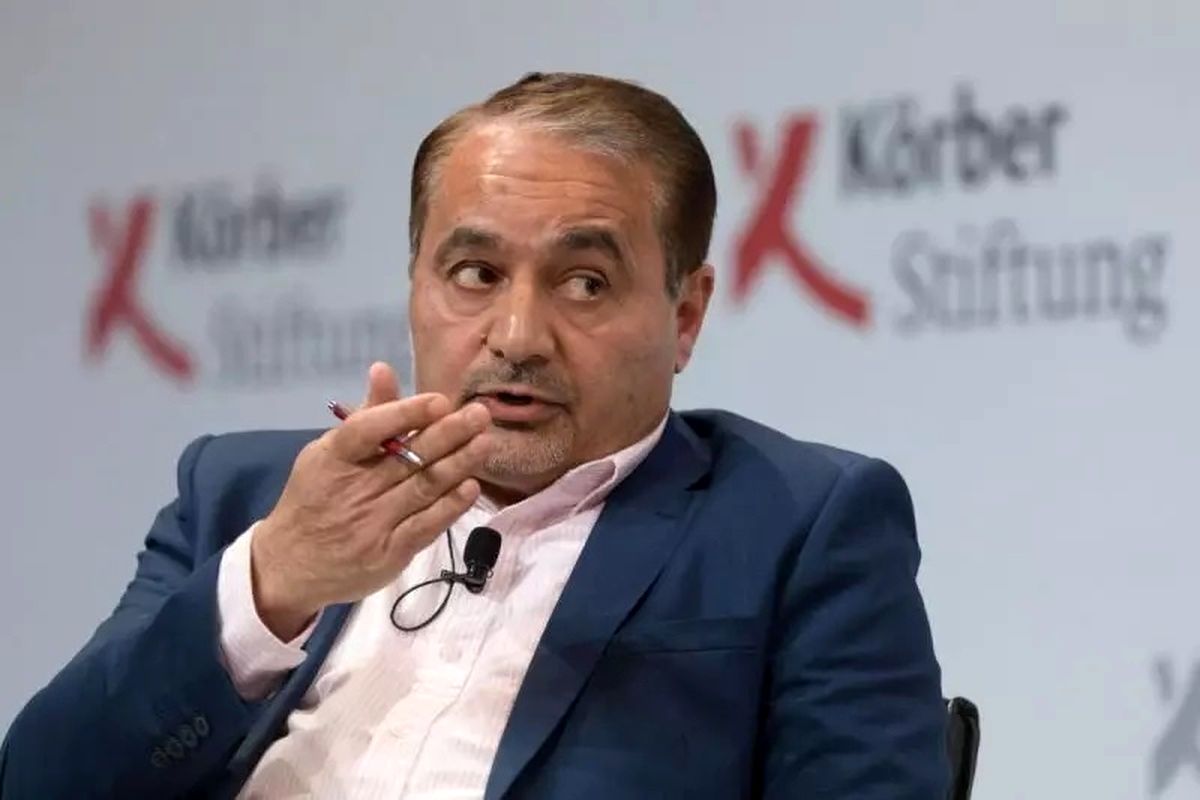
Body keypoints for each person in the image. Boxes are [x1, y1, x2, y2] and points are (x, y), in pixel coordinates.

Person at [0, 71, 949, 799]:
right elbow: (40, 780)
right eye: (475, 274)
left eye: (585, 282)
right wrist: (274, 583)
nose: (518, 336)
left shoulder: (797, 526)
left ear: (686, 314)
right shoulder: (244, 495)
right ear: (415, 283)